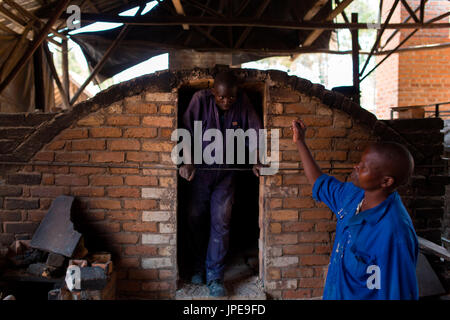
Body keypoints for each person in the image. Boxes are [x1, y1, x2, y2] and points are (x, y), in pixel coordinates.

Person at [292, 119, 419, 300]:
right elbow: (320, 182)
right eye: (360, 162)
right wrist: (300, 141)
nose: (356, 167)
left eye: (364, 167)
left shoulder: (394, 233)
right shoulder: (354, 196)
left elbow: (399, 294)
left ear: (386, 181)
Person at [179, 71, 262, 297]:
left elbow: (254, 132)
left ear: (237, 93)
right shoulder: (199, 100)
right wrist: (187, 161)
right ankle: (197, 266)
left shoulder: (242, 102)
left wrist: (256, 160)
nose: (226, 102)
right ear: (213, 92)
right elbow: (185, 132)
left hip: (227, 174)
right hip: (201, 173)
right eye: (221, 97)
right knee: (195, 217)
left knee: (221, 222)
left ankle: (215, 276)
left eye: (231, 98)